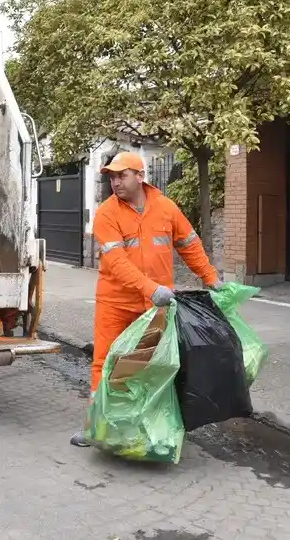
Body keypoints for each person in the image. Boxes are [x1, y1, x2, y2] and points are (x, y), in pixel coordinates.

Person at [71, 151, 221, 447]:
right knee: (106, 363)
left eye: (121, 175)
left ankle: (148, 426)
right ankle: (96, 426)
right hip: (117, 303)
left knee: (152, 366)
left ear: (140, 176)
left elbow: (189, 244)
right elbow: (116, 262)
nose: (115, 182)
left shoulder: (166, 208)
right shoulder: (107, 213)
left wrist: (211, 278)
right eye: (111, 177)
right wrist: (151, 288)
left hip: (156, 306)